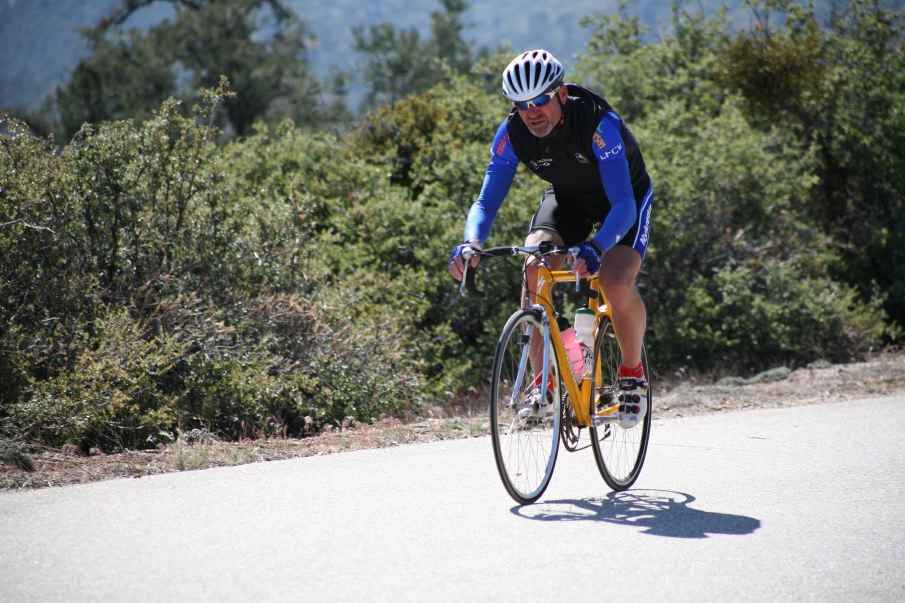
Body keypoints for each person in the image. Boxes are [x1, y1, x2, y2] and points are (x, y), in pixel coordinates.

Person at [448, 49, 653, 429]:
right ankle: (543, 381)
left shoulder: (596, 124)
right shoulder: (512, 135)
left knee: (613, 279)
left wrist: (597, 246)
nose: (532, 111)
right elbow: (485, 202)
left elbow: (623, 203)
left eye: (540, 99)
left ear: (560, 93)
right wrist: (470, 242)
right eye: (521, 104)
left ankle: (631, 372)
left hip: (624, 200)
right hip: (569, 199)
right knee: (534, 266)